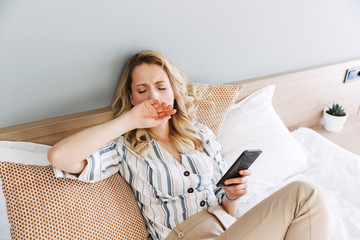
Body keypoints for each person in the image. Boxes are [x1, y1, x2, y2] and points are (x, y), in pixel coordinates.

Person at [48, 50, 330, 240]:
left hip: (228, 229)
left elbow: (228, 208)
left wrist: (233, 196)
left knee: (308, 197)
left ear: (173, 90)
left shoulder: (201, 135)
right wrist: (130, 119)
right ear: (131, 97)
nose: (153, 96)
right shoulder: (125, 148)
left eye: (161, 86)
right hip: (184, 235)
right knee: (304, 194)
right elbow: (60, 156)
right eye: (141, 90)